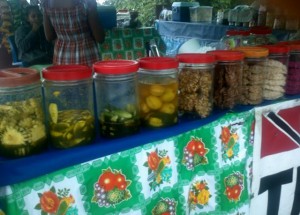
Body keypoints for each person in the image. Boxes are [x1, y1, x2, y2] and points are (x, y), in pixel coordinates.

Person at [41, 0, 105, 67]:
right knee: (88, 77)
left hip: (61, 57)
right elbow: (100, 38)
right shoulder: (86, 2)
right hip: (86, 55)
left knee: (63, 77)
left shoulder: (46, 3)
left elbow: (49, 36)